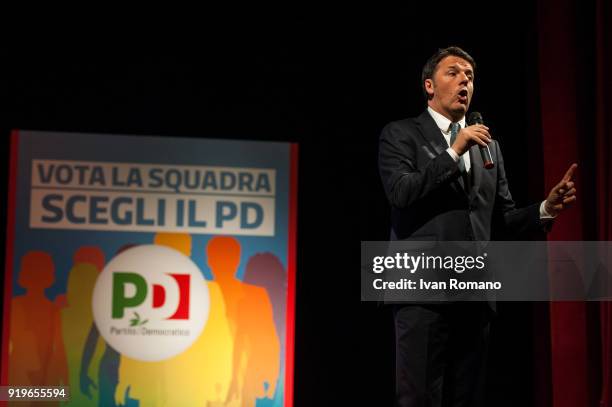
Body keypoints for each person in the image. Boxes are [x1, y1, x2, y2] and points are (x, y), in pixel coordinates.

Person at [378, 46, 577, 407]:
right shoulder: (401, 134)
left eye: (469, 76)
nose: (464, 81)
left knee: (467, 398)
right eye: (453, 73)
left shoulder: (489, 148)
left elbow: (500, 218)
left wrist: (545, 208)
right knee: (419, 397)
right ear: (428, 85)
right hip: (422, 291)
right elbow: (401, 192)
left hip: (474, 293)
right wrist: (454, 151)